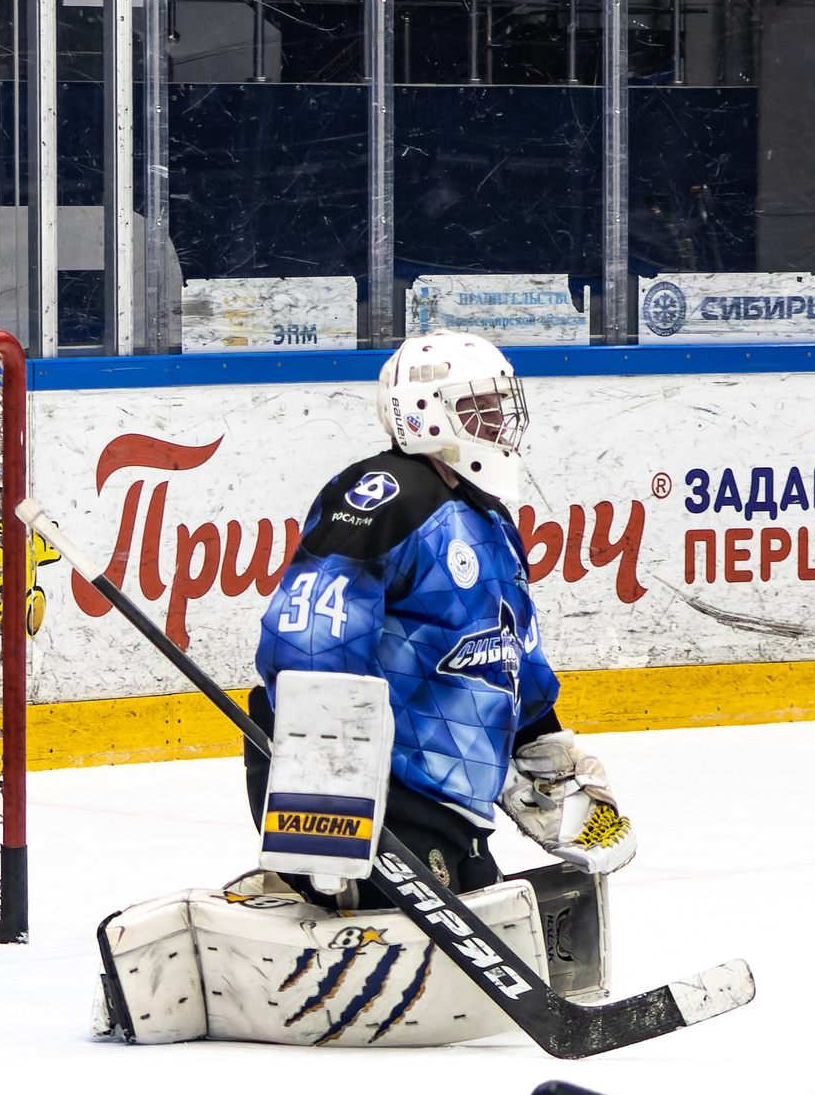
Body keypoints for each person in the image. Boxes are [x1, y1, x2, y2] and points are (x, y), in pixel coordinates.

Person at [247, 330, 637, 895]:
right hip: (378, 799)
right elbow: (309, 643)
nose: (500, 421)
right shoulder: (386, 494)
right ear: (426, 414)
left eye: (501, 405)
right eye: (479, 406)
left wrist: (545, 759)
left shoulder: (489, 519)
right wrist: (324, 815)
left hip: (455, 810)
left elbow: (509, 653)